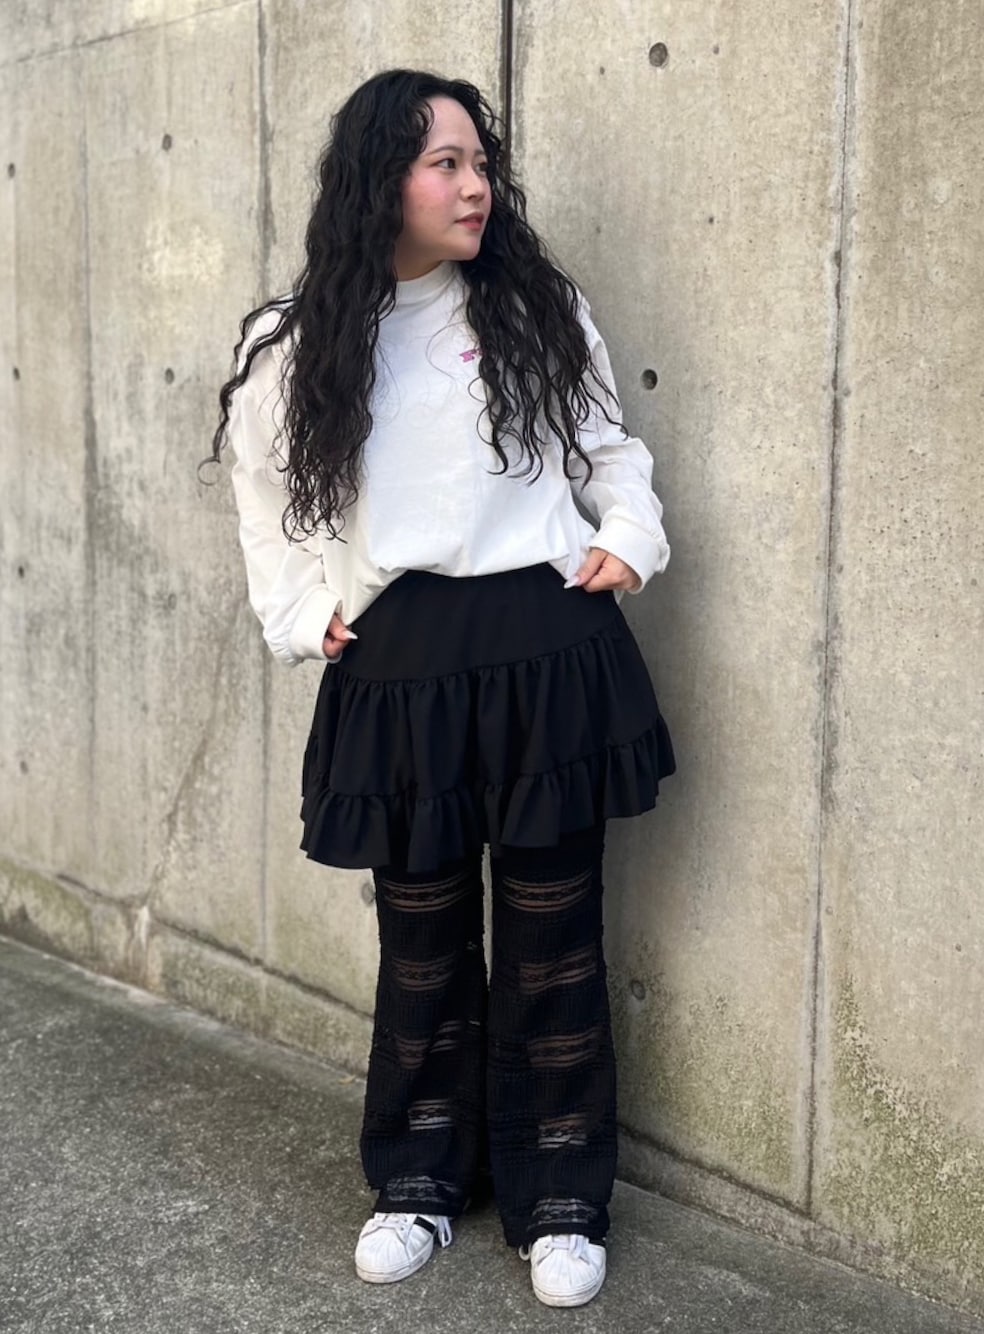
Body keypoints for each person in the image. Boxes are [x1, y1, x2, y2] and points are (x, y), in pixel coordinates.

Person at [211, 68, 675, 1309]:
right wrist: (300, 614)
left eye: (480, 163)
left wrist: (629, 534)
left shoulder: (531, 306)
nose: (475, 187)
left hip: (545, 647)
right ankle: (416, 1180)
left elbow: (607, 446)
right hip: (399, 667)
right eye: (445, 164)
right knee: (419, 943)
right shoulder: (293, 343)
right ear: (381, 181)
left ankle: (561, 1197)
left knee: (552, 936)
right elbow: (264, 500)